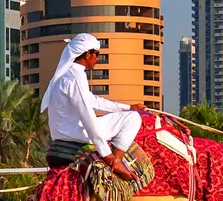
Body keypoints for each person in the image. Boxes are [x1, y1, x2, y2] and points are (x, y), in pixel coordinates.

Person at [41, 32, 146, 182]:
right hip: (76, 135)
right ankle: (117, 163)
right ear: (87, 54)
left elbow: (94, 101)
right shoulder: (75, 78)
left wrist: (127, 107)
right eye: (96, 54)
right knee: (133, 118)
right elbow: (87, 117)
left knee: (130, 113)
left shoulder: (68, 75)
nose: (97, 58)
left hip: (63, 134)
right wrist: (107, 156)